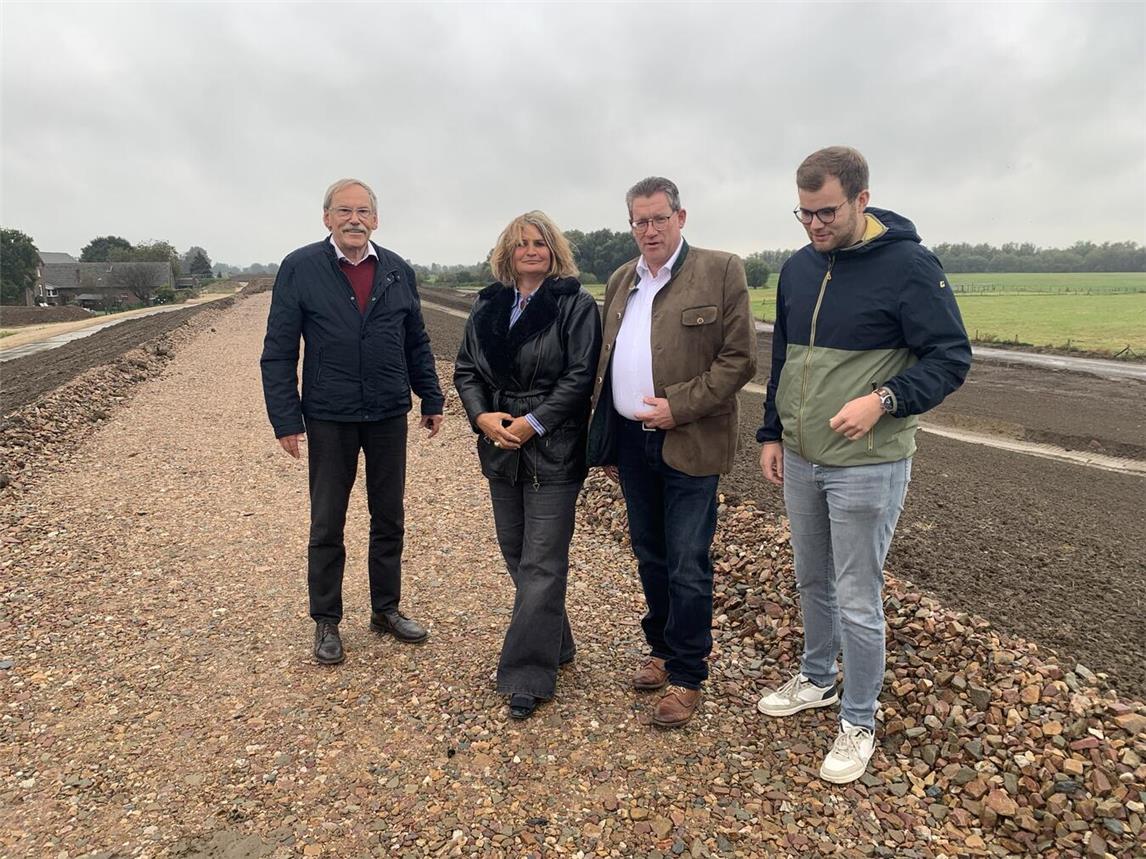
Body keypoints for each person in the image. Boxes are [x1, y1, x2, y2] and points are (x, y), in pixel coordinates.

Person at [756, 146, 971, 783]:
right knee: (811, 578)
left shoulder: (909, 265)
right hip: (800, 456)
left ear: (861, 200)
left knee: (857, 594)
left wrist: (884, 400)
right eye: (804, 214)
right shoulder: (797, 269)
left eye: (826, 212)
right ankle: (818, 679)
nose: (815, 226)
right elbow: (784, 361)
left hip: (866, 464)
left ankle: (858, 718)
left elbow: (951, 359)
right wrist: (772, 431)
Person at [586, 177, 757, 728]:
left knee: (688, 561)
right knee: (650, 553)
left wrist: (677, 407)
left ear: (681, 217)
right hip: (633, 447)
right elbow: (607, 363)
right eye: (640, 221)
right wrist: (609, 436)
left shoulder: (722, 270)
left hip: (690, 440)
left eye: (660, 218)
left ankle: (687, 674)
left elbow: (738, 361)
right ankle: (660, 649)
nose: (650, 230)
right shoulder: (620, 279)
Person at [260, 178, 444, 665]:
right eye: (344, 211)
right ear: (327, 218)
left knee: (389, 517)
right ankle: (326, 620)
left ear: (376, 220)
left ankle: (385, 609)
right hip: (329, 416)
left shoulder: (397, 271)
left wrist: (431, 396)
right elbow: (278, 351)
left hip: (386, 412)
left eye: (363, 211)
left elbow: (416, 341)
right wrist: (285, 419)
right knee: (327, 522)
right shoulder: (300, 268)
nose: (354, 220)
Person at [453, 211, 602, 720]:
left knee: (543, 560)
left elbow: (580, 377)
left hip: (553, 446)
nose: (531, 250)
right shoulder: (488, 303)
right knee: (516, 551)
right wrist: (481, 416)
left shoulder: (575, 305)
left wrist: (533, 422)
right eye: (521, 244)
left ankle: (527, 674)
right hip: (499, 443)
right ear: (507, 253)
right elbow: (467, 368)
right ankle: (556, 642)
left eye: (540, 242)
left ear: (554, 249)